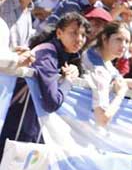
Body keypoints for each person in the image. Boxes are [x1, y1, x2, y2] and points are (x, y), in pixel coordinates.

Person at [0, 13, 87, 160]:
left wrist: (73, 71)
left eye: (83, 35)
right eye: (73, 33)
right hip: (17, 125)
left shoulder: (66, 56)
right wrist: (68, 81)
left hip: (29, 126)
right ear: (59, 33)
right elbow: (52, 101)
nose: (79, 39)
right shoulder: (47, 55)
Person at [81, 22, 131, 127]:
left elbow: (121, 82)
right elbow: (102, 118)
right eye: (118, 39)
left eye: (127, 41)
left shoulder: (101, 59)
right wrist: (120, 94)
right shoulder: (98, 70)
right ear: (104, 38)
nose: (123, 46)